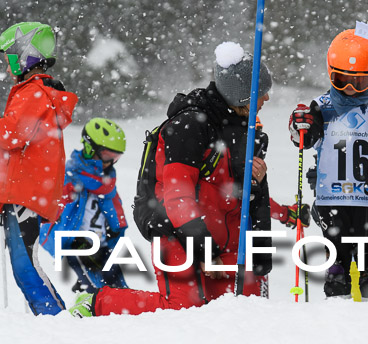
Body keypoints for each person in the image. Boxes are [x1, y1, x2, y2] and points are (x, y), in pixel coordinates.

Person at [68, 42, 273, 317]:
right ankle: (96, 303)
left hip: (219, 233)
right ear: (240, 95)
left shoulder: (246, 130)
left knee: (239, 307)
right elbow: (178, 200)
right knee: (183, 309)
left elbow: (241, 199)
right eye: (260, 93)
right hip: (174, 229)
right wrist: (205, 252)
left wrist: (259, 259)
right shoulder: (188, 127)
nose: (267, 99)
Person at [288, 29, 368, 300]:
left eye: (359, 81)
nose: (350, 89)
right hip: (332, 199)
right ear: (331, 74)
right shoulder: (322, 106)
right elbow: (305, 139)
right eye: (341, 80)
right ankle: (336, 309)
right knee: (337, 259)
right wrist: (299, 126)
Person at [0, 22, 78, 315]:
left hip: (25, 192)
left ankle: (55, 318)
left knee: (25, 264)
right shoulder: (37, 92)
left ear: (26, 55)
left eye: (10, 59)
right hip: (24, 191)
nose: (8, 69)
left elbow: (10, 135)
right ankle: (50, 319)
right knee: (23, 263)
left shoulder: (33, 93)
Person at [40, 118, 128, 293]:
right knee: (103, 292)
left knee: (121, 290)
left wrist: (116, 230)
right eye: (107, 155)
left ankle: (87, 296)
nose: (110, 162)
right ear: (90, 148)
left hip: (102, 245)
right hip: (78, 243)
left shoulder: (107, 179)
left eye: (115, 157)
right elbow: (50, 213)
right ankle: (91, 304)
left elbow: (115, 209)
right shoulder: (69, 175)